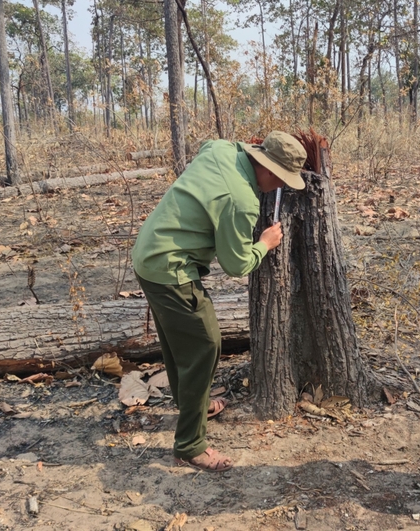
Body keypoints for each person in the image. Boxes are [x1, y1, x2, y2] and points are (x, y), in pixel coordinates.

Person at [131, 131, 307, 473]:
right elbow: (236, 264)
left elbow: (205, 146)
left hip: (148, 254)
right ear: (268, 169)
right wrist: (265, 244)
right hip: (170, 268)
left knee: (179, 342)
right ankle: (190, 446)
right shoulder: (241, 200)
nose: (281, 187)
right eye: (282, 179)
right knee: (205, 345)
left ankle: (191, 403)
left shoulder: (222, 150)